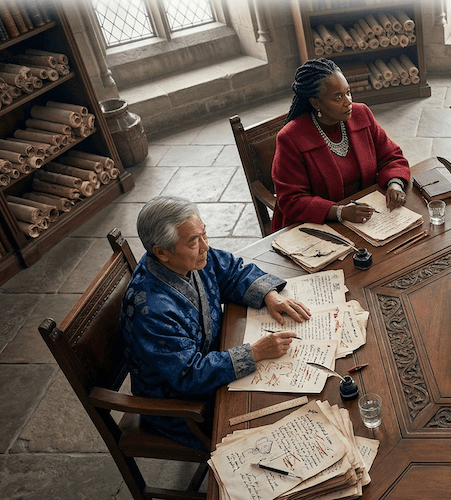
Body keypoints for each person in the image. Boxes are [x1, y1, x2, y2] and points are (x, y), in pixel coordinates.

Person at [121, 196, 312, 450]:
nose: (205, 247)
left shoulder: (190, 259)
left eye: (204, 235)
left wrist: (269, 295)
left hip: (212, 360)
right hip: (181, 404)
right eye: (194, 242)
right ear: (161, 252)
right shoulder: (152, 310)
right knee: (275, 421)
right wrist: (254, 353)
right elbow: (189, 374)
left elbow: (231, 272)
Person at [272, 58, 411, 231]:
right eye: (338, 98)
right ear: (315, 103)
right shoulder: (291, 138)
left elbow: (392, 156)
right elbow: (292, 200)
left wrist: (395, 183)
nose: (348, 102)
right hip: (316, 224)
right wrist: (340, 212)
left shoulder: (361, 114)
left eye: (348, 92)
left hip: (368, 215)